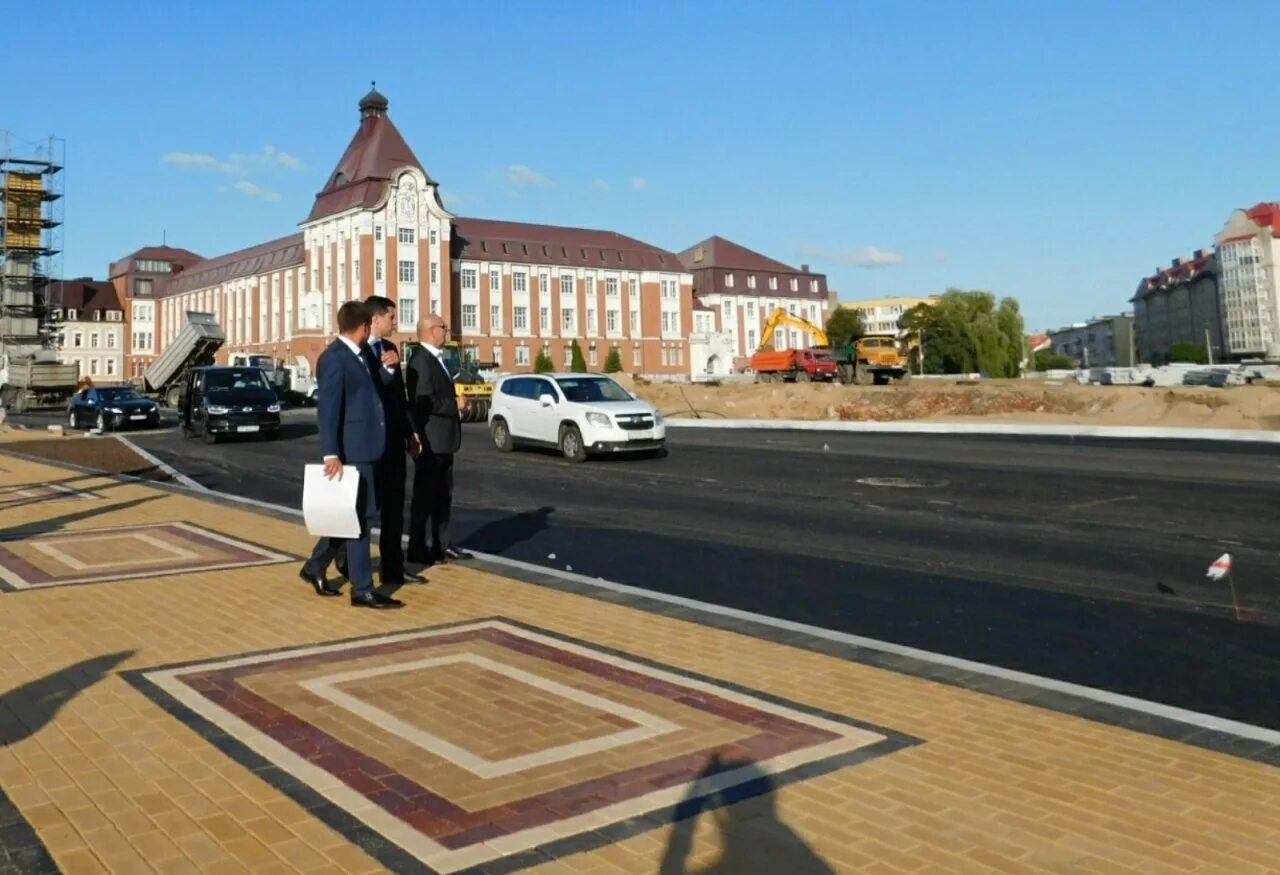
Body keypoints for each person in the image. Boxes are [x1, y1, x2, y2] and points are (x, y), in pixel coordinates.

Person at [299, 301, 403, 609]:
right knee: (360, 518)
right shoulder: (335, 359)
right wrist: (331, 452)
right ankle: (362, 589)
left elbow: (373, 390)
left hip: (371, 445)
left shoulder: (363, 355)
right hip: (353, 450)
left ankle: (315, 566)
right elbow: (328, 409)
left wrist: (388, 368)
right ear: (364, 327)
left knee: (350, 515)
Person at [334, 295, 424, 587]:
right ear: (375, 319)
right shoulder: (355, 352)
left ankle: (393, 570)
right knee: (363, 510)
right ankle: (336, 560)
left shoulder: (390, 349)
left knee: (394, 509)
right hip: (365, 444)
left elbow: (399, 399)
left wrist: (410, 432)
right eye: (392, 317)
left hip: (393, 442)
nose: (396, 323)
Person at [406, 313, 472, 565]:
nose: (447, 331)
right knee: (425, 496)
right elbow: (423, 400)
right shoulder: (422, 360)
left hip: (443, 440)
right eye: (444, 327)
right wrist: (453, 403)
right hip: (431, 440)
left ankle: (442, 544)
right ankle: (417, 546)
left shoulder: (436, 359)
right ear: (432, 331)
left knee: (443, 494)